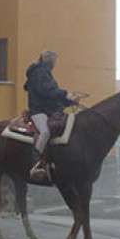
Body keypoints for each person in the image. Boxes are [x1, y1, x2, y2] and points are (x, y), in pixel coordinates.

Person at [24, 50, 77, 182]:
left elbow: (52, 96)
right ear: (52, 62)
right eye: (56, 62)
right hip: (39, 111)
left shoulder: (44, 73)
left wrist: (67, 101)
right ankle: (35, 160)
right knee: (45, 132)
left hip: (47, 110)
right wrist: (65, 94)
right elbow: (47, 91)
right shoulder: (40, 73)